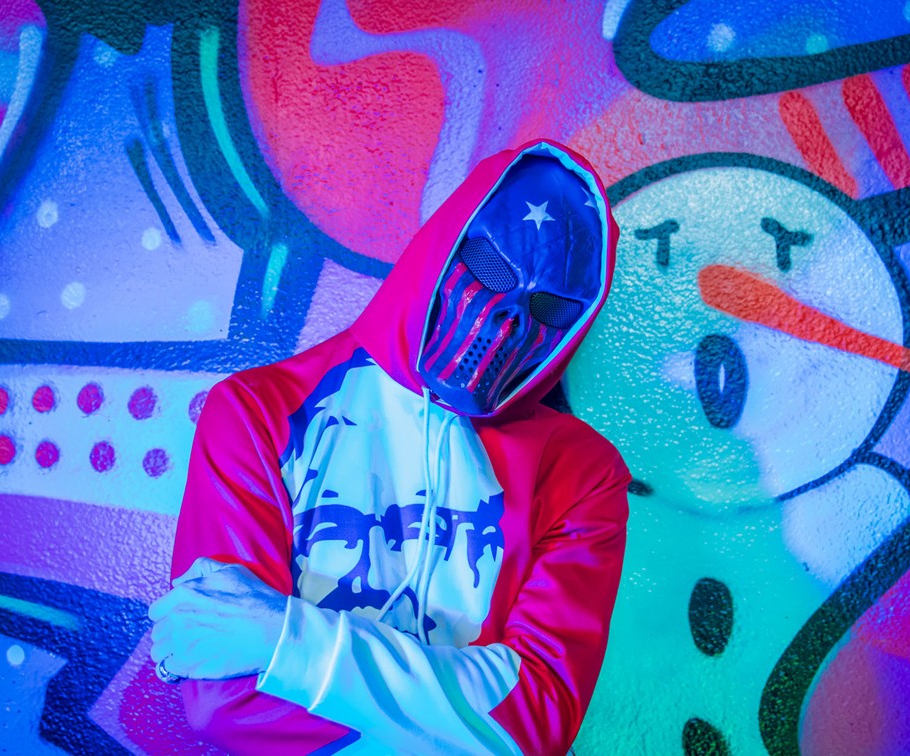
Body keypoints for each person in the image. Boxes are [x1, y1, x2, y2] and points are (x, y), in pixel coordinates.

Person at [148, 140, 628, 755]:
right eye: (490, 271)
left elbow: (534, 725)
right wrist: (457, 725)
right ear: (445, 245)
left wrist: (283, 639)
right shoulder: (257, 413)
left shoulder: (581, 472)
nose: (507, 321)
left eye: (548, 308)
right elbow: (226, 703)